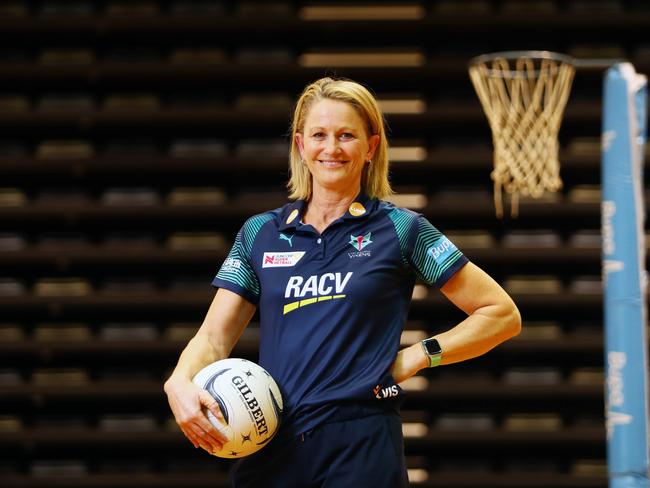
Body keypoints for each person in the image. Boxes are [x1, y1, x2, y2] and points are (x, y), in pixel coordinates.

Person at [164, 77, 522, 487]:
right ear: (300, 145)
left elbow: (501, 314)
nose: (331, 149)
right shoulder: (259, 233)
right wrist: (179, 381)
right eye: (319, 135)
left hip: (361, 442)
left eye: (346, 136)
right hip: (273, 443)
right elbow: (212, 339)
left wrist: (418, 357)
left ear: (370, 147)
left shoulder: (401, 229)